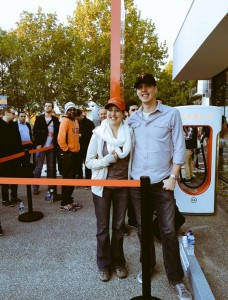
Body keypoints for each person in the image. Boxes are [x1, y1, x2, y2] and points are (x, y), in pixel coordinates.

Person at [128, 74, 192, 300]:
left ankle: (176, 278)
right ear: (137, 91)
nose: (143, 90)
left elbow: (179, 147)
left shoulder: (171, 114)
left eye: (147, 86)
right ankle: (148, 267)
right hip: (138, 184)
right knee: (143, 230)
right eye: (140, 88)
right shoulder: (132, 119)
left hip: (163, 182)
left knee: (168, 231)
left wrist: (174, 176)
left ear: (155, 88)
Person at [86, 97, 133, 282]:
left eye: (117, 110)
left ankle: (118, 262)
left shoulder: (130, 133)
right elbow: (89, 162)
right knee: (103, 227)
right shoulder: (98, 133)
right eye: (110, 110)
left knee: (119, 227)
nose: (113, 114)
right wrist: (106, 160)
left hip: (123, 187)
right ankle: (104, 264)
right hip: (102, 187)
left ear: (123, 114)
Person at [57, 102, 82, 212]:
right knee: (67, 178)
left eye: (74, 109)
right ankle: (64, 203)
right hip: (68, 154)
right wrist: (66, 151)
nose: (72, 111)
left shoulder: (75, 121)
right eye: (70, 110)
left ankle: (69, 200)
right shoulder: (65, 121)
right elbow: (60, 139)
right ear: (66, 111)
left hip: (75, 154)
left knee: (72, 178)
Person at [32, 102, 60, 195]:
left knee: (51, 167)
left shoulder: (55, 119)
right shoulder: (39, 118)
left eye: (50, 106)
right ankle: (35, 187)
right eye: (46, 106)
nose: (48, 107)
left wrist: (55, 144)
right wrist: (38, 144)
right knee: (38, 167)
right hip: (41, 147)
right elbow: (35, 132)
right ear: (44, 107)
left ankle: (51, 186)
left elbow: (58, 133)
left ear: (52, 108)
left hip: (51, 147)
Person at [0, 106, 23, 206]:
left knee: (15, 176)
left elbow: (18, 140)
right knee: (5, 178)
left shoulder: (14, 125)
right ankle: (5, 199)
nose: (15, 116)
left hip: (15, 156)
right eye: (13, 114)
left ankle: (14, 196)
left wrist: (20, 155)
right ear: (6, 113)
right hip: (3, 157)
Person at [75, 110, 95, 183]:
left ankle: (88, 181)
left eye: (77, 117)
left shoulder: (89, 123)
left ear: (81, 115)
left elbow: (93, 136)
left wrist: (81, 135)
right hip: (77, 147)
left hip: (87, 147)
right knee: (78, 164)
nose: (76, 119)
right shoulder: (74, 123)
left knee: (87, 164)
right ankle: (79, 180)